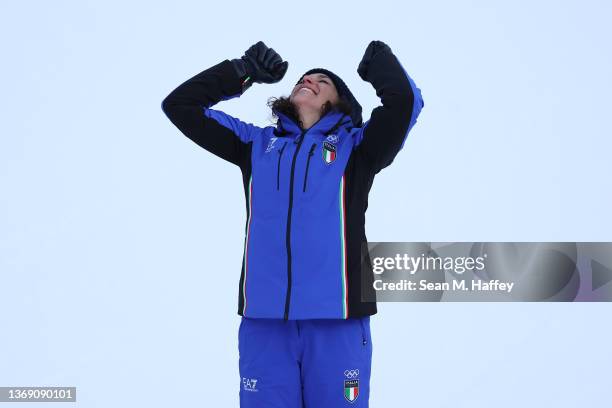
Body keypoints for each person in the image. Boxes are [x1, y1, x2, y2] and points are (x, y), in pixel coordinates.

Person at [161, 40, 424, 408]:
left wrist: (380, 63)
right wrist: (242, 71)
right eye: (304, 78)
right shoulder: (255, 144)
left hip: (339, 321)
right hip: (264, 325)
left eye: (323, 81)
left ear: (340, 103)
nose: (309, 81)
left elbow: (405, 105)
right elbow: (180, 106)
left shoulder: (357, 149)